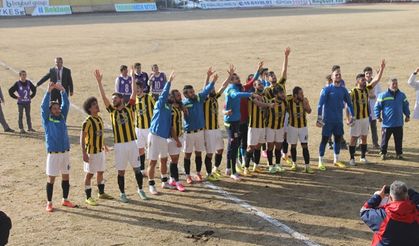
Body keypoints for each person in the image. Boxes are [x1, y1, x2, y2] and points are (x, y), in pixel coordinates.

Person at [94, 69, 146, 203]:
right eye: (112, 99)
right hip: (119, 145)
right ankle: (123, 193)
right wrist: (99, 82)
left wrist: (133, 77)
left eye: (115, 98)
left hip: (131, 143)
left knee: (137, 169)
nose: (113, 100)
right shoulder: (111, 111)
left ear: (121, 99)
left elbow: (134, 92)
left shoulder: (130, 107)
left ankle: (140, 189)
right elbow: (104, 99)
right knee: (121, 172)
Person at [41, 82, 76, 212]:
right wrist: (48, 92)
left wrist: (62, 91)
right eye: (55, 108)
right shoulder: (47, 119)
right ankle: (49, 203)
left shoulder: (62, 117)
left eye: (58, 108)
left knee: (66, 176)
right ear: (50, 111)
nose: (57, 110)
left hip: (65, 153)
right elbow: (43, 107)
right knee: (51, 179)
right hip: (53, 154)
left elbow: (65, 105)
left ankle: (65, 199)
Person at [224, 69, 261, 180]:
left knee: (233, 146)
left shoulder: (238, 87)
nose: (238, 79)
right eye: (236, 78)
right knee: (233, 146)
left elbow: (249, 83)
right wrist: (251, 94)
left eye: (238, 77)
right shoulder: (231, 89)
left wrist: (258, 70)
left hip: (235, 121)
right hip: (231, 123)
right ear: (231, 81)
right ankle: (233, 171)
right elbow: (235, 95)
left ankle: (229, 169)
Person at [348, 60, 385, 166]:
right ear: (357, 81)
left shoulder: (366, 89)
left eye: (365, 80)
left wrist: (381, 69)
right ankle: (351, 158)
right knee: (354, 138)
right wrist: (348, 118)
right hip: (356, 119)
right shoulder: (352, 92)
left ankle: (363, 157)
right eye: (363, 80)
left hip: (365, 118)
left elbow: (376, 81)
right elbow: (346, 106)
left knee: (364, 137)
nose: (365, 81)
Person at [182, 73, 217, 184]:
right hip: (189, 133)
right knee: (187, 154)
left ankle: (198, 173)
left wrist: (213, 81)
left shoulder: (199, 98)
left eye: (193, 91)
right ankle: (187, 176)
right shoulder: (183, 103)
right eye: (190, 92)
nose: (193, 93)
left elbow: (206, 90)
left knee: (198, 153)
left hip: (200, 132)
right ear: (186, 95)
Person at [360, 181, 419, 246]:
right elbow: (416, 198)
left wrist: (378, 197)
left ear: (390, 198)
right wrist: (410, 192)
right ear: (407, 197)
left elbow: (364, 210)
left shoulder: (382, 216)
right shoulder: (416, 211)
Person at [317, 69, 354, 170]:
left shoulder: (343, 90)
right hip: (328, 120)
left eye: (339, 75)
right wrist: (319, 118)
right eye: (336, 75)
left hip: (338, 121)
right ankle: (320, 161)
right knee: (324, 140)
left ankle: (336, 160)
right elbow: (320, 105)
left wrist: (353, 116)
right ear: (332, 77)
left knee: (337, 140)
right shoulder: (327, 89)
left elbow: (349, 104)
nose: (338, 76)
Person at [80, 97, 113, 206]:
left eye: (96, 103)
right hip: (91, 153)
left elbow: (100, 135)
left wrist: (104, 146)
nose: (97, 105)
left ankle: (101, 193)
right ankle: (88, 197)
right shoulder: (87, 122)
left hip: (100, 151)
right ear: (89, 109)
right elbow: (82, 138)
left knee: (101, 171)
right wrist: (84, 153)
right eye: (94, 104)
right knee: (90, 174)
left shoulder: (99, 119)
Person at [147, 71, 175, 195]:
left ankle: (164, 181)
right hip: (154, 136)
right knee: (152, 162)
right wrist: (168, 82)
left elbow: (169, 124)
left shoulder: (169, 109)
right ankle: (151, 185)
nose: (169, 97)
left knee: (164, 159)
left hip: (163, 137)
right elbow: (163, 95)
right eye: (168, 96)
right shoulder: (159, 104)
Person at [203, 67, 230, 181]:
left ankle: (215, 168)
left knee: (220, 149)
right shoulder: (204, 99)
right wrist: (208, 77)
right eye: (211, 89)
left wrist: (230, 76)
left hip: (216, 129)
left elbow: (223, 86)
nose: (213, 90)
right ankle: (209, 174)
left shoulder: (215, 98)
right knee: (210, 153)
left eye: (213, 88)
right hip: (208, 130)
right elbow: (205, 89)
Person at [374, 78, 410, 160]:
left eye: (396, 83)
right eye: (393, 83)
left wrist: (407, 115)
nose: (395, 85)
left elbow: (405, 106)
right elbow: (377, 107)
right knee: (384, 141)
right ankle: (383, 153)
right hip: (387, 124)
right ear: (389, 85)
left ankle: (399, 154)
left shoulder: (402, 95)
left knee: (398, 140)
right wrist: (378, 117)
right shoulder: (383, 95)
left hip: (398, 123)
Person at [244, 80, 274, 175]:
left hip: (263, 126)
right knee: (251, 147)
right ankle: (246, 168)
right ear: (254, 86)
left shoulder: (265, 98)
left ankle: (255, 166)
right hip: (254, 126)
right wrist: (269, 105)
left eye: (262, 84)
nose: (261, 86)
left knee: (259, 146)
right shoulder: (251, 95)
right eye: (259, 84)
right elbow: (259, 104)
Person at [287, 86, 313, 173]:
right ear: (295, 95)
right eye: (301, 94)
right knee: (293, 146)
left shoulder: (304, 100)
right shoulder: (289, 100)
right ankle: (294, 163)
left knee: (305, 146)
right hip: (292, 127)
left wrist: (305, 104)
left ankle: (307, 166)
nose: (303, 95)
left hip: (303, 127)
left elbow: (309, 111)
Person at [134, 81, 155, 176]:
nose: (137, 90)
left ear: (142, 88)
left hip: (149, 128)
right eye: (135, 89)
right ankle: (142, 169)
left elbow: (156, 109)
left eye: (138, 88)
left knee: (151, 149)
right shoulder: (134, 99)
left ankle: (152, 167)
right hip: (138, 128)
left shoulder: (149, 97)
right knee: (140, 149)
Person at [265, 86, 287, 173]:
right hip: (270, 128)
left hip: (280, 128)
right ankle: (270, 165)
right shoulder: (270, 103)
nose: (283, 94)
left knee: (278, 147)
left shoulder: (285, 102)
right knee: (270, 147)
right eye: (281, 93)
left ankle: (278, 164)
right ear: (275, 94)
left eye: (283, 93)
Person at [167, 89, 186, 192]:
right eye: (178, 96)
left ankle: (171, 179)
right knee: (174, 160)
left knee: (174, 160)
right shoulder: (171, 110)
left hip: (179, 136)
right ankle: (177, 182)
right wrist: (177, 140)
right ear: (173, 98)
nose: (180, 97)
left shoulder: (178, 107)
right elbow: (171, 127)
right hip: (173, 138)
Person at [365, 66, 382, 149]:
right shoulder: (362, 82)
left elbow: (379, 93)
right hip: (364, 110)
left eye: (370, 73)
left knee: (373, 127)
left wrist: (374, 96)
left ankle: (375, 143)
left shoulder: (375, 83)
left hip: (372, 107)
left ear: (372, 74)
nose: (368, 75)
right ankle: (361, 143)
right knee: (363, 128)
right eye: (366, 73)